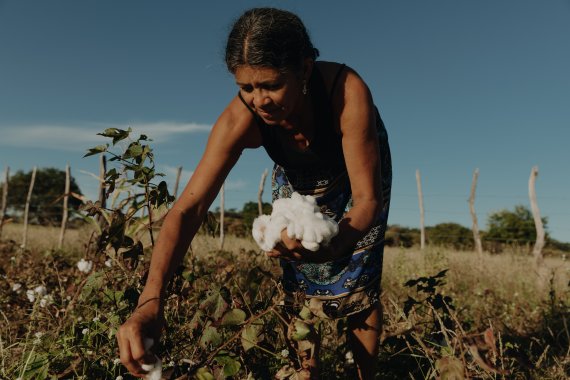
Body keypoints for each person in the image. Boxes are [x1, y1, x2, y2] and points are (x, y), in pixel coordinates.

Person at [117, 7, 392, 379]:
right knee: (297, 280)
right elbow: (188, 209)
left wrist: (337, 243)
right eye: (246, 87)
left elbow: (367, 202)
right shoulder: (241, 119)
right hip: (298, 179)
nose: (259, 99)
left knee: (359, 276)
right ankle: (305, 372)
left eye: (272, 85)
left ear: (305, 69)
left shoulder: (346, 93)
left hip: (357, 174)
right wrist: (150, 301)